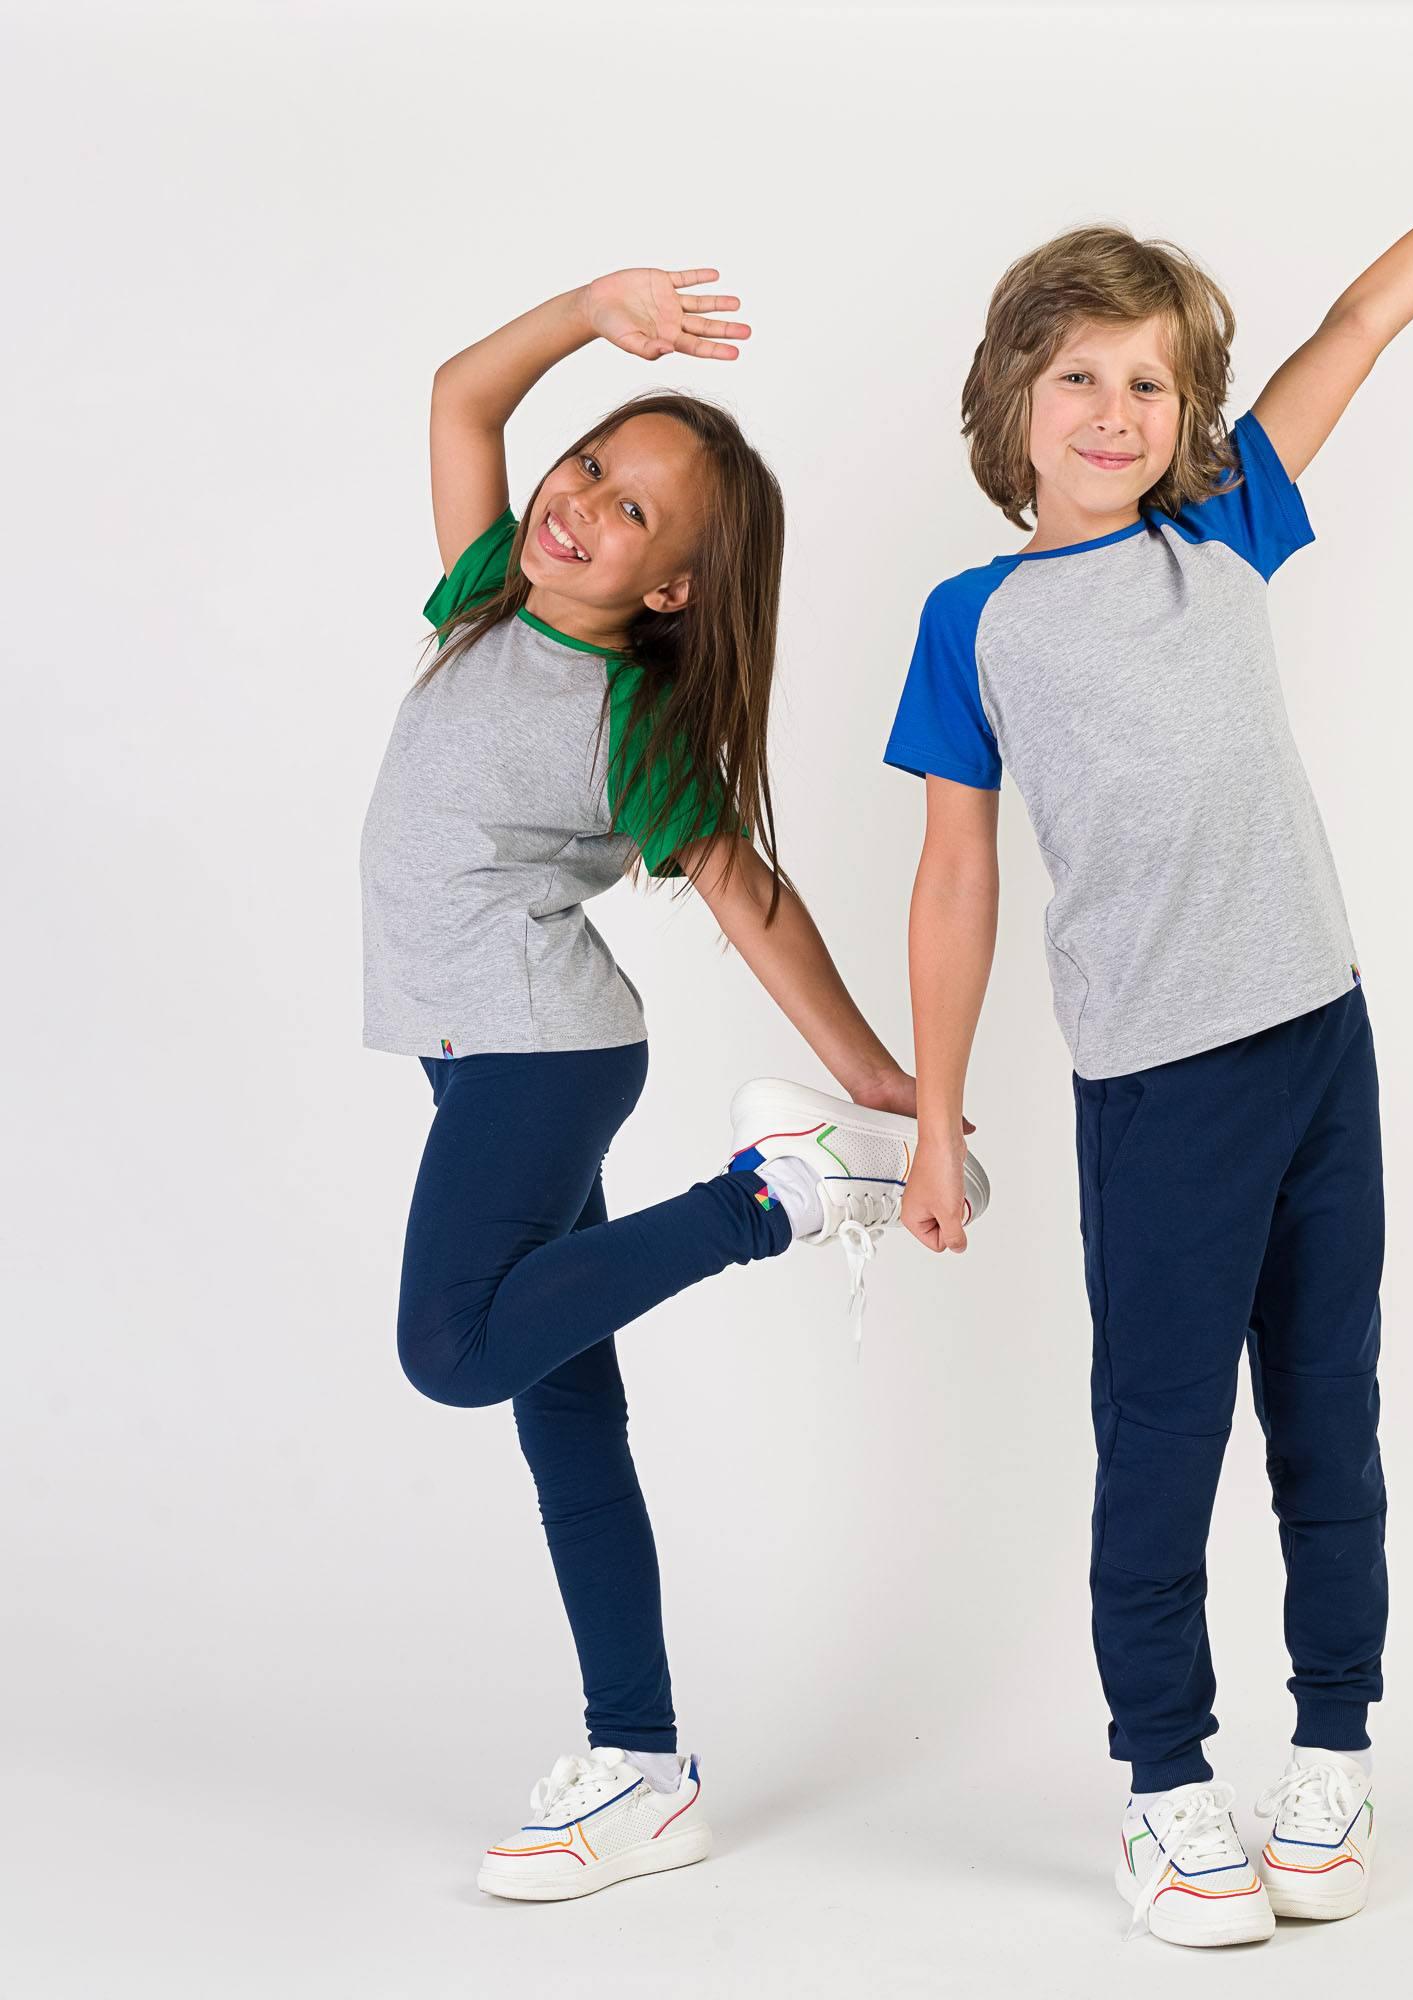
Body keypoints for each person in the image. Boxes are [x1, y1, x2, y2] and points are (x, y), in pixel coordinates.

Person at [887, 73, 1413, 1946]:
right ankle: (1163, 1783)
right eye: (1080, 380)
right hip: (1155, 1088)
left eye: (1150, 383)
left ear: (1187, 416)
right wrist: (940, 1117)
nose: (1118, 413)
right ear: (1010, 408)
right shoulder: (975, 623)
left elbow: (1359, 322)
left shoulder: (1225, 525)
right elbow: (954, 878)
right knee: (1161, 1438)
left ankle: (1337, 1754)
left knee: (1328, 1421)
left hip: (1318, 1045)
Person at [361, 266, 975, 1901]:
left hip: (537, 1061)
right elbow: (459, 398)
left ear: (676, 591)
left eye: (632, 513)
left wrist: (877, 1085)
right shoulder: (488, 591)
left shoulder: (631, 719)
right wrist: (588, 310)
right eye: (588, 470)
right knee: (566, 1410)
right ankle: (638, 1765)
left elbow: (748, 897)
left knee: (455, 1349)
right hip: (478, 1058)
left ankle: (772, 1201)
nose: (580, 508)